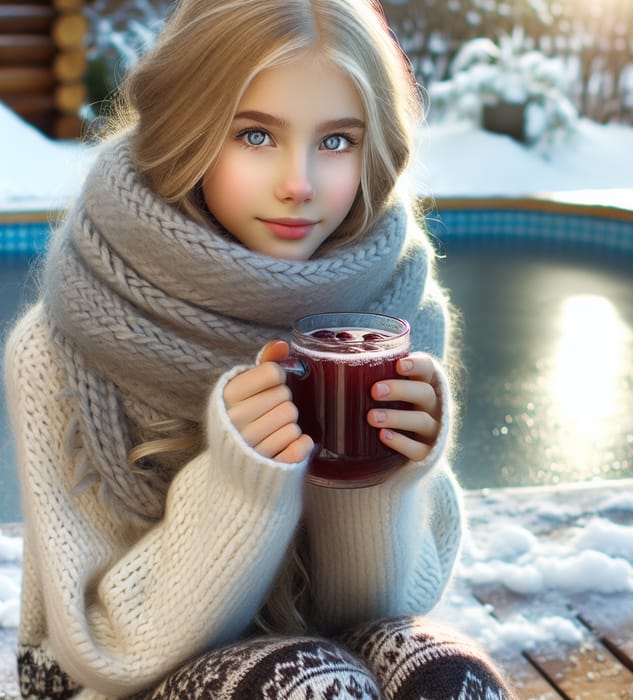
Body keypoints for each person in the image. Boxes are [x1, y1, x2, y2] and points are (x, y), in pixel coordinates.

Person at [4, 0, 517, 697]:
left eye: (336, 141)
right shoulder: (62, 344)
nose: (299, 184)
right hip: (106, 681)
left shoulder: (398, 307)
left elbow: (379, 612)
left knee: (449, 679)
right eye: (255, 135)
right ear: (189, 129)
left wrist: (379, 480)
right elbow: (101, 649)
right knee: (310, 685)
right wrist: (239, 485)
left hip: (319, 657)